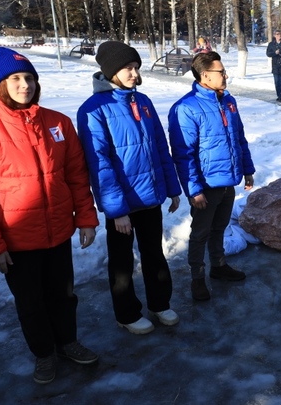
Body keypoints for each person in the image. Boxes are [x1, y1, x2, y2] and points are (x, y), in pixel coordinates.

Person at [0, 47, 99, 384]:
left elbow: (77, 175)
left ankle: (67, 342)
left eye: (29, 77)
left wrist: (86, 218)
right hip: (17, 240)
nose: (25, 85)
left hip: (58, 233)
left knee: (63, 295)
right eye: (16, 78)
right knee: (31, 302)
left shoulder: (57, 123)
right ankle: (44, 353)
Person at [77, 41, 183, 335]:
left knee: (154, 253)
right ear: (111, 71)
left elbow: (160, 147)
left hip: (150, 196)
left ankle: (160, 304)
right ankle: (126, 313)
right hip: (121, 204)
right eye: (128, 68)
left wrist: (173, 189)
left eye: (136, 67)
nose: (134, 73)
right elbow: (99, 163)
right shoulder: (93, 109)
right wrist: (116, 211)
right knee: (122, 262)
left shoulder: (143, 101)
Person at [168, 51, 255, 301]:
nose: (226, 75)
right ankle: (197, 277)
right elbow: (183, 154)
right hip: (206, 185)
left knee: (220, 227)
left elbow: (239, 138)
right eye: (221, 72)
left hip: (229, 180)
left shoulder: (228, 101)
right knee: (200, 233)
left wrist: (246, 169)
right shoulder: (186, 108)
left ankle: (218, 267)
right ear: (205, 75)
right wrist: (194, 190)